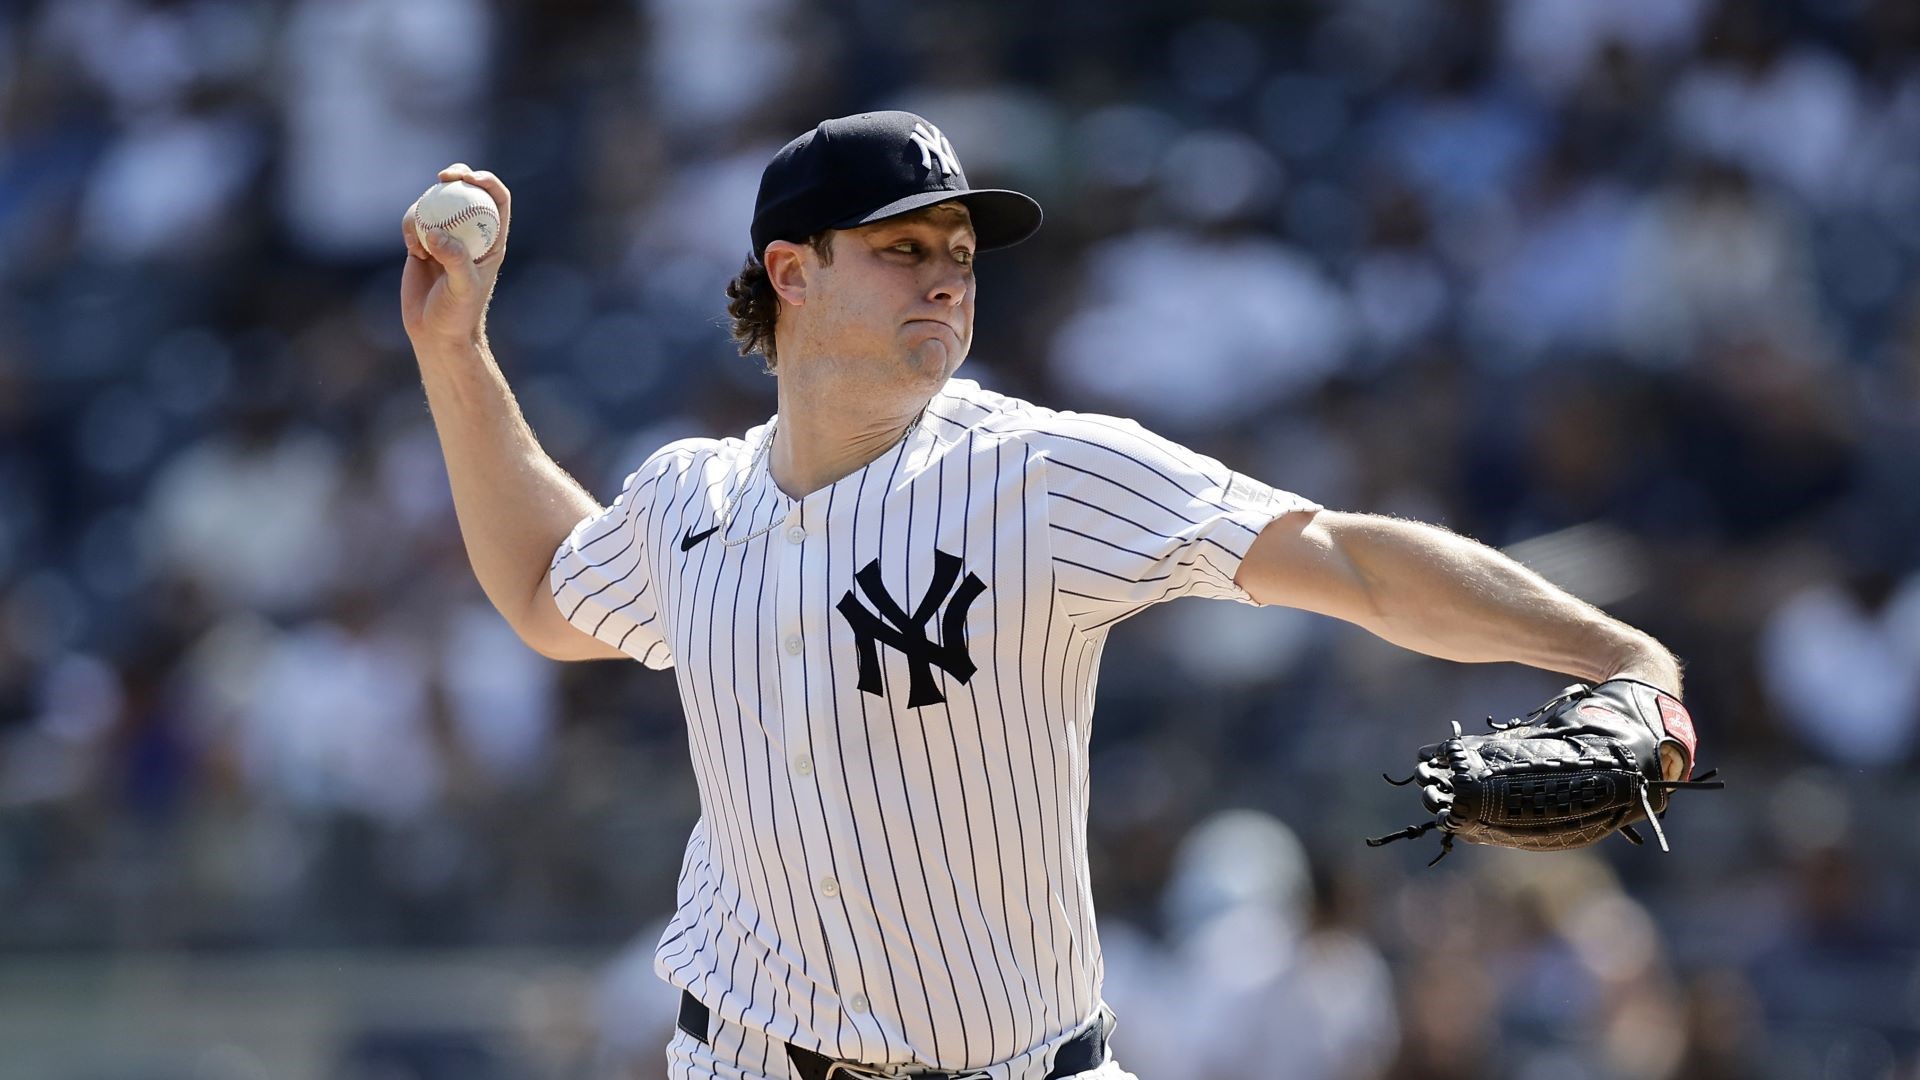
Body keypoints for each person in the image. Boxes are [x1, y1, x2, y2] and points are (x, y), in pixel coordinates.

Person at [398, 111, 1688, 1080]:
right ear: (790, 273)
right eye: (905, 249)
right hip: (742, 1053)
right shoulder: (690, 499)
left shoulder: (1044, 475)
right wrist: (454, 353)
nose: (948, 275)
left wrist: (1619, 651)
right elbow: (544, 592)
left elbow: (1345, 558)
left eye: (960, 250)